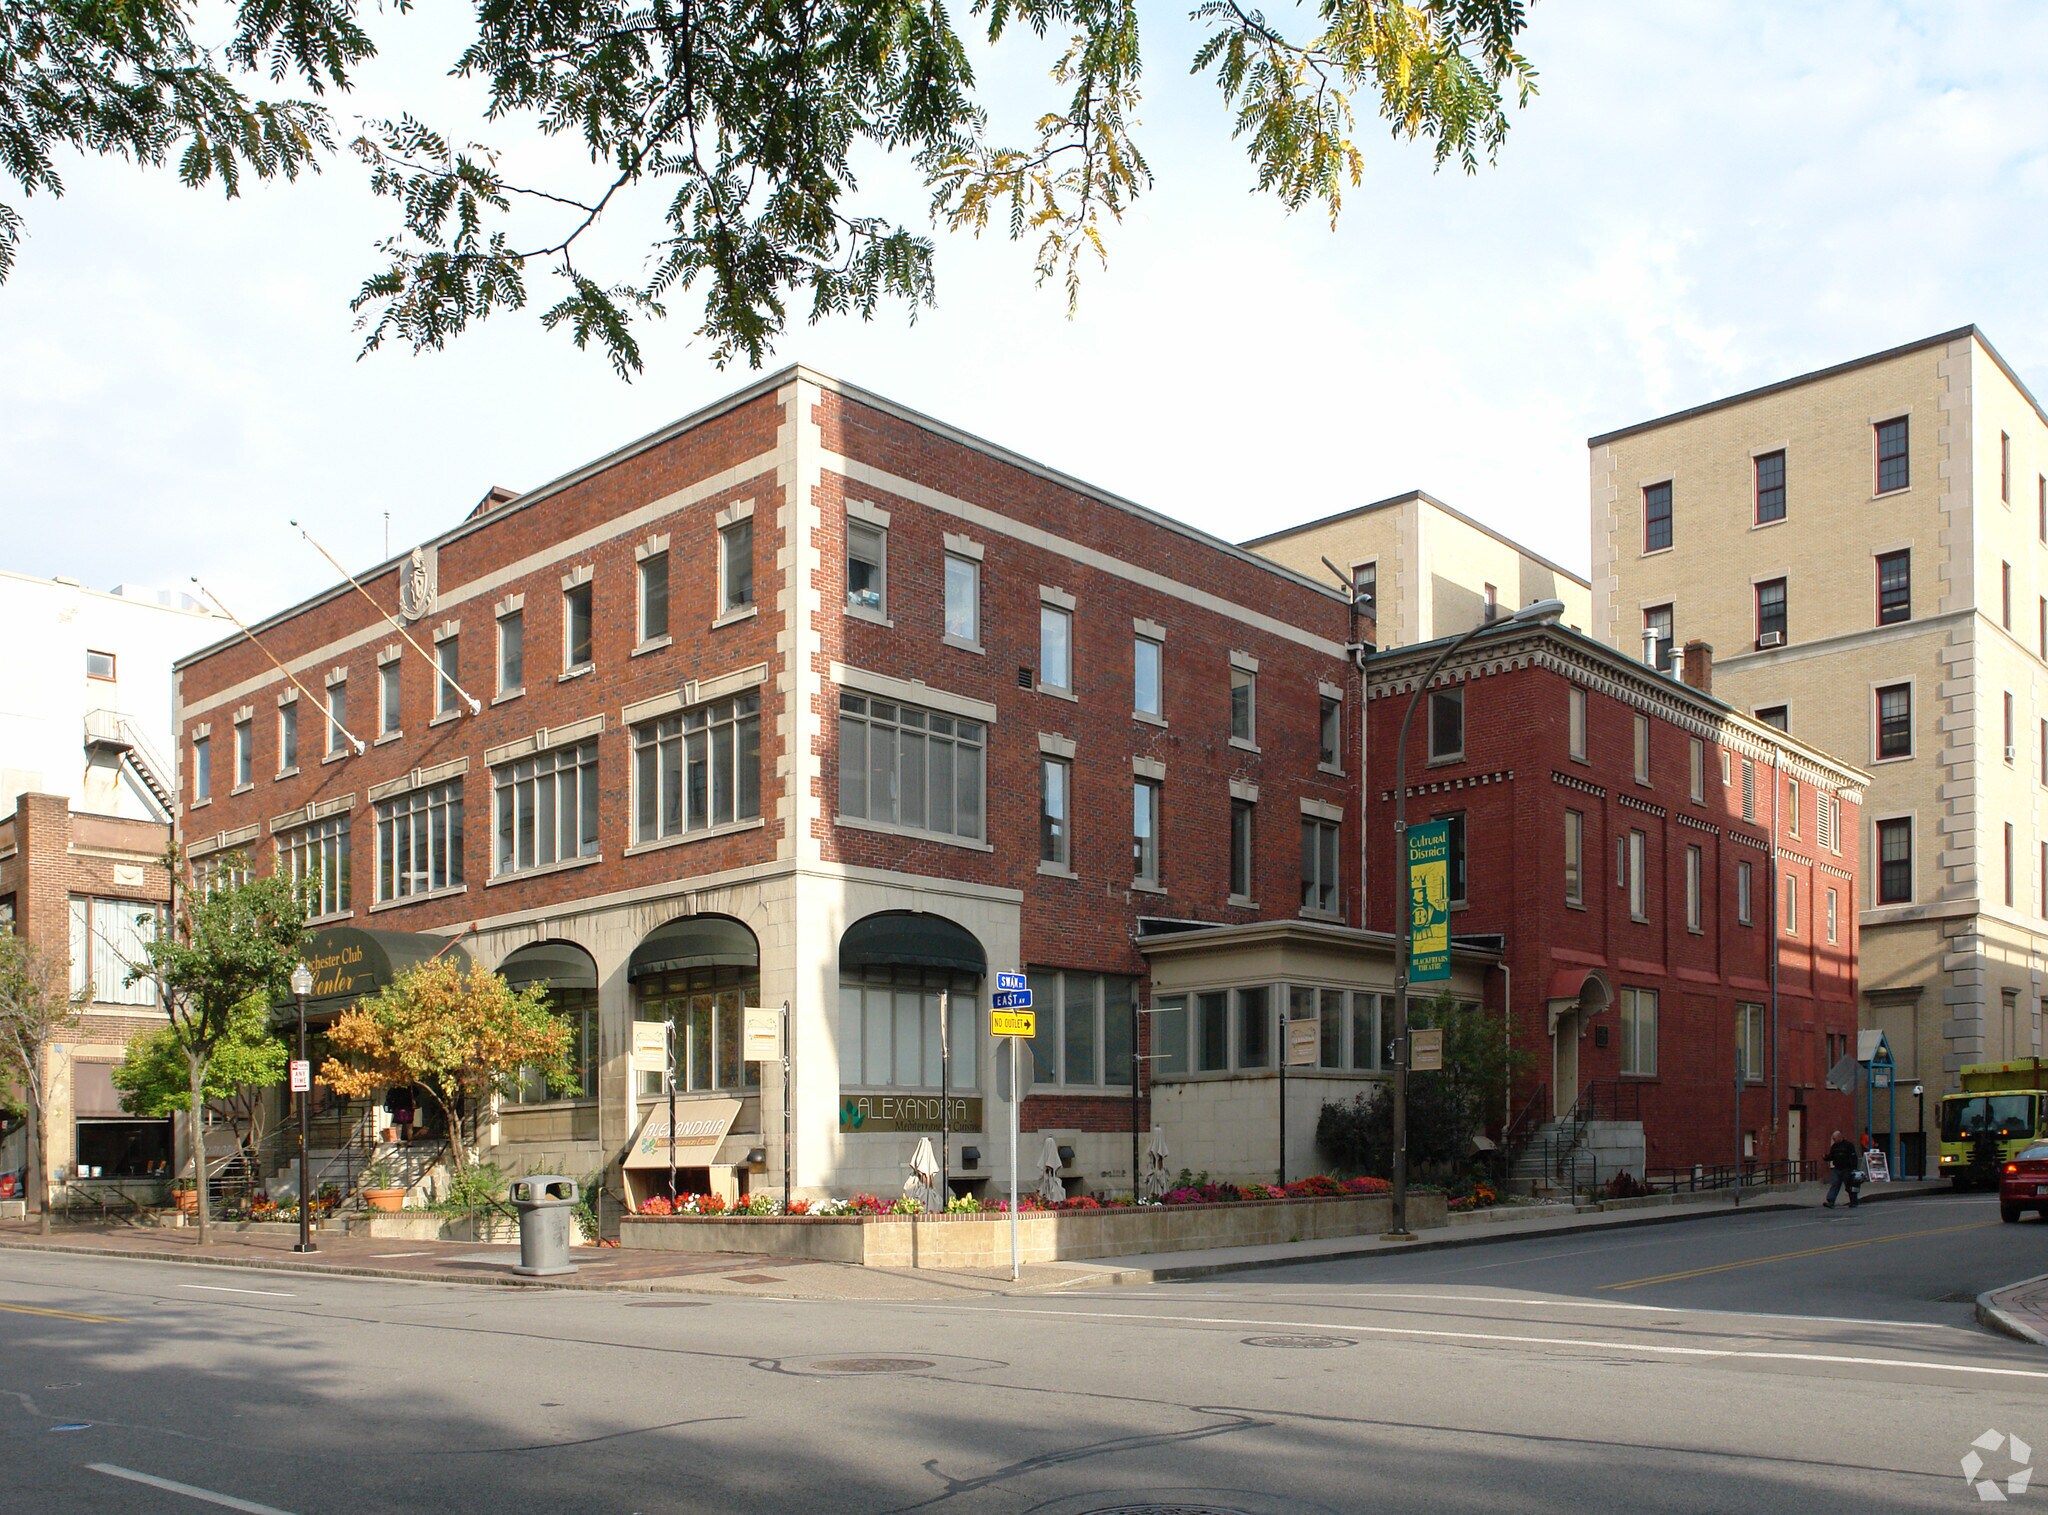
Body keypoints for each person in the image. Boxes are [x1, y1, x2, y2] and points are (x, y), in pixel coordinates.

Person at [1824, 1129, 1861, 1208]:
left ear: (1840, 1137)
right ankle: (1831, 1201)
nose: (1834, 1140)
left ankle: (1853, 1201)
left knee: (1849, 1185)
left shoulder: (1848, 1145)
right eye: (1833, 1139)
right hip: (1837, 1168)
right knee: (1835, 1184)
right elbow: (1832, 1156)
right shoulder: (1834, 1146)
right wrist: (1826, 1158)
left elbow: (1853, 1157)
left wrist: (1854, 1168)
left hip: (1847, 1168)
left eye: (1835, 1139)